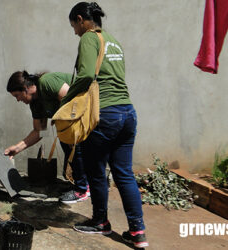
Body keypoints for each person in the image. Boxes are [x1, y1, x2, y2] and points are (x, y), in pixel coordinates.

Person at [66, 2, 148, 248]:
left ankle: (101, 222)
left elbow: (87, 75)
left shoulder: (89, 39)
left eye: (74, 26)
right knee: (124, 174)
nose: (75, 32)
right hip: (128, 113)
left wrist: (68, 101)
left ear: (81, 20)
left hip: (106, 114)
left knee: (96, 171)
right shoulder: (114, 41)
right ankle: (137, 232)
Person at [4, 71, 90, 204]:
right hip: (70, 124)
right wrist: (17, 148)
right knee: (66, 143)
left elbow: (73, 100)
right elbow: (39, 131)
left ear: (25, 88)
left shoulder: (46, 82)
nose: (18, 100)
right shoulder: (36, 104)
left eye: (17, 95)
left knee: (72, 145)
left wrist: (70, 129)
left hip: (89, 111)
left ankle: (83, 189)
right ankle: (83, 184)